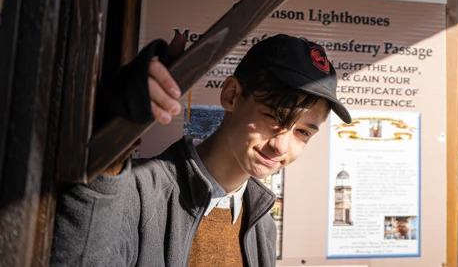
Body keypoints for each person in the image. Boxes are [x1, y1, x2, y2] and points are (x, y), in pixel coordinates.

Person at [51, 33, 351, 267]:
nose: (280, 146)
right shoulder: (139, 193)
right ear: (232, 95)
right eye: (273, 117)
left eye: (302, 132)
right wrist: (111, 129)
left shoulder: (262, 223)